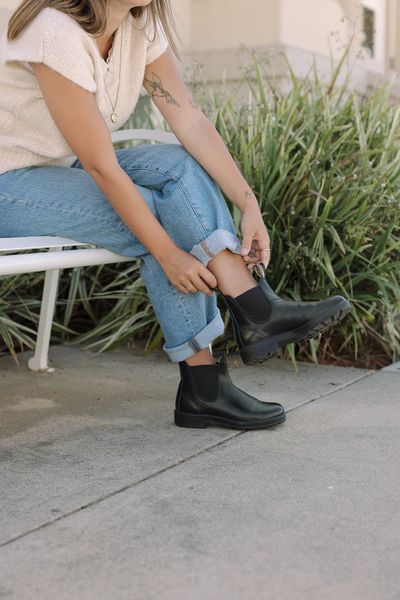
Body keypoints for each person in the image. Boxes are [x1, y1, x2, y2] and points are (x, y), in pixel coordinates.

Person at [0, 0, 351, 430]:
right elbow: (101, 167)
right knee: (158, 221)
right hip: (8, 182)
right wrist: (168, 255)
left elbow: (191, 121)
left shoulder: (138, 27)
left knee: (178, 166)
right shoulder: (55, 31)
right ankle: (218, 367)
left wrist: (249, 203)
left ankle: (252, 314)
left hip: (59, 169)